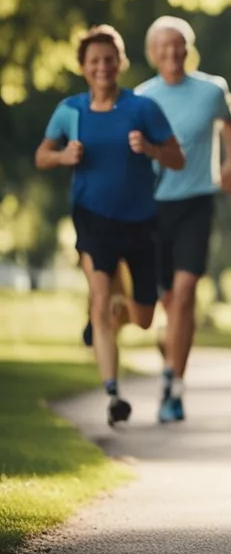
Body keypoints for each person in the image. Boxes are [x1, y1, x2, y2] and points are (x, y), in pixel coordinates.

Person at [36, 25, 185, 426]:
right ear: (83, 68)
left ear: (121, 63)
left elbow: (177, 158)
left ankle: (120, 311)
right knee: (99, 299)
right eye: (94, 61)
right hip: (93, 217)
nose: (102, 67)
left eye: (109, 59)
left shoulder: (142, 108)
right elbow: (42, 155)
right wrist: (63, 156)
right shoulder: (71, 111)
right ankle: (113, 394)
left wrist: (151, 149)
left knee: (144, 318)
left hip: (140, 220)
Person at [136, 16, 231, 424]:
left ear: (188, 48)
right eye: (163, 47)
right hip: (152, 206)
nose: (171, 53)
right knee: (165, 304)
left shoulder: (211, 89)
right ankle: (172, 358)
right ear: (151, 53)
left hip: (197, 201)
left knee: (184, 295)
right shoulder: (141, 98)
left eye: (178, 45)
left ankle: (173, 387)